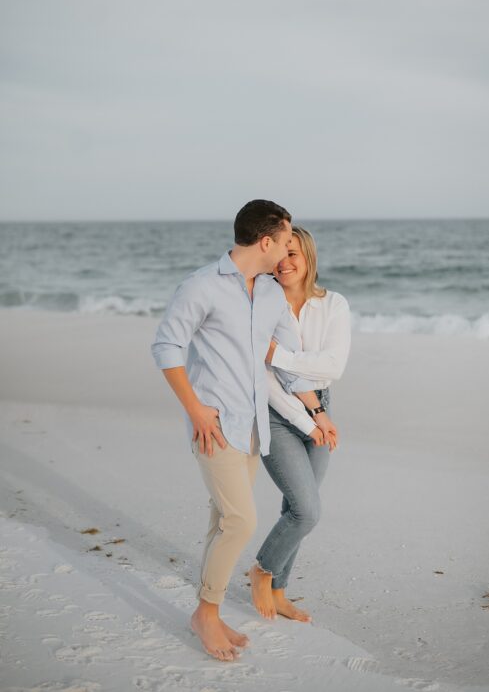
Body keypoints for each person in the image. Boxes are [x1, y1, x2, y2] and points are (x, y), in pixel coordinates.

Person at [151, 199, 321, 661]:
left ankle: (210, 609)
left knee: (221, 519)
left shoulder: (269, 293)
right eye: (286, 239)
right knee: (241, 522)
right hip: (215, 426)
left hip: (254, 427)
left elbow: (284, 359)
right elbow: (166, 347)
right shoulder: (201, 286)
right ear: (265, 241)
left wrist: (317, 411)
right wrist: (197, 410)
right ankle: (205, 613)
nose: (290, 247)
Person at [247, 226, 352, 622]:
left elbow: (333, 366)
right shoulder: (261, 303)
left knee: (295, 506)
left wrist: (282, 355)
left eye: (295, 254)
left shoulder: (334, 305)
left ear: (309, 257)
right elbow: (268, 380)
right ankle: (262, 570)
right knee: (307, 512)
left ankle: (278, 591)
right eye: (281, 255)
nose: (286, 262)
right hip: (277, 412)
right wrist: (310, 420)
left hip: (321, 405)